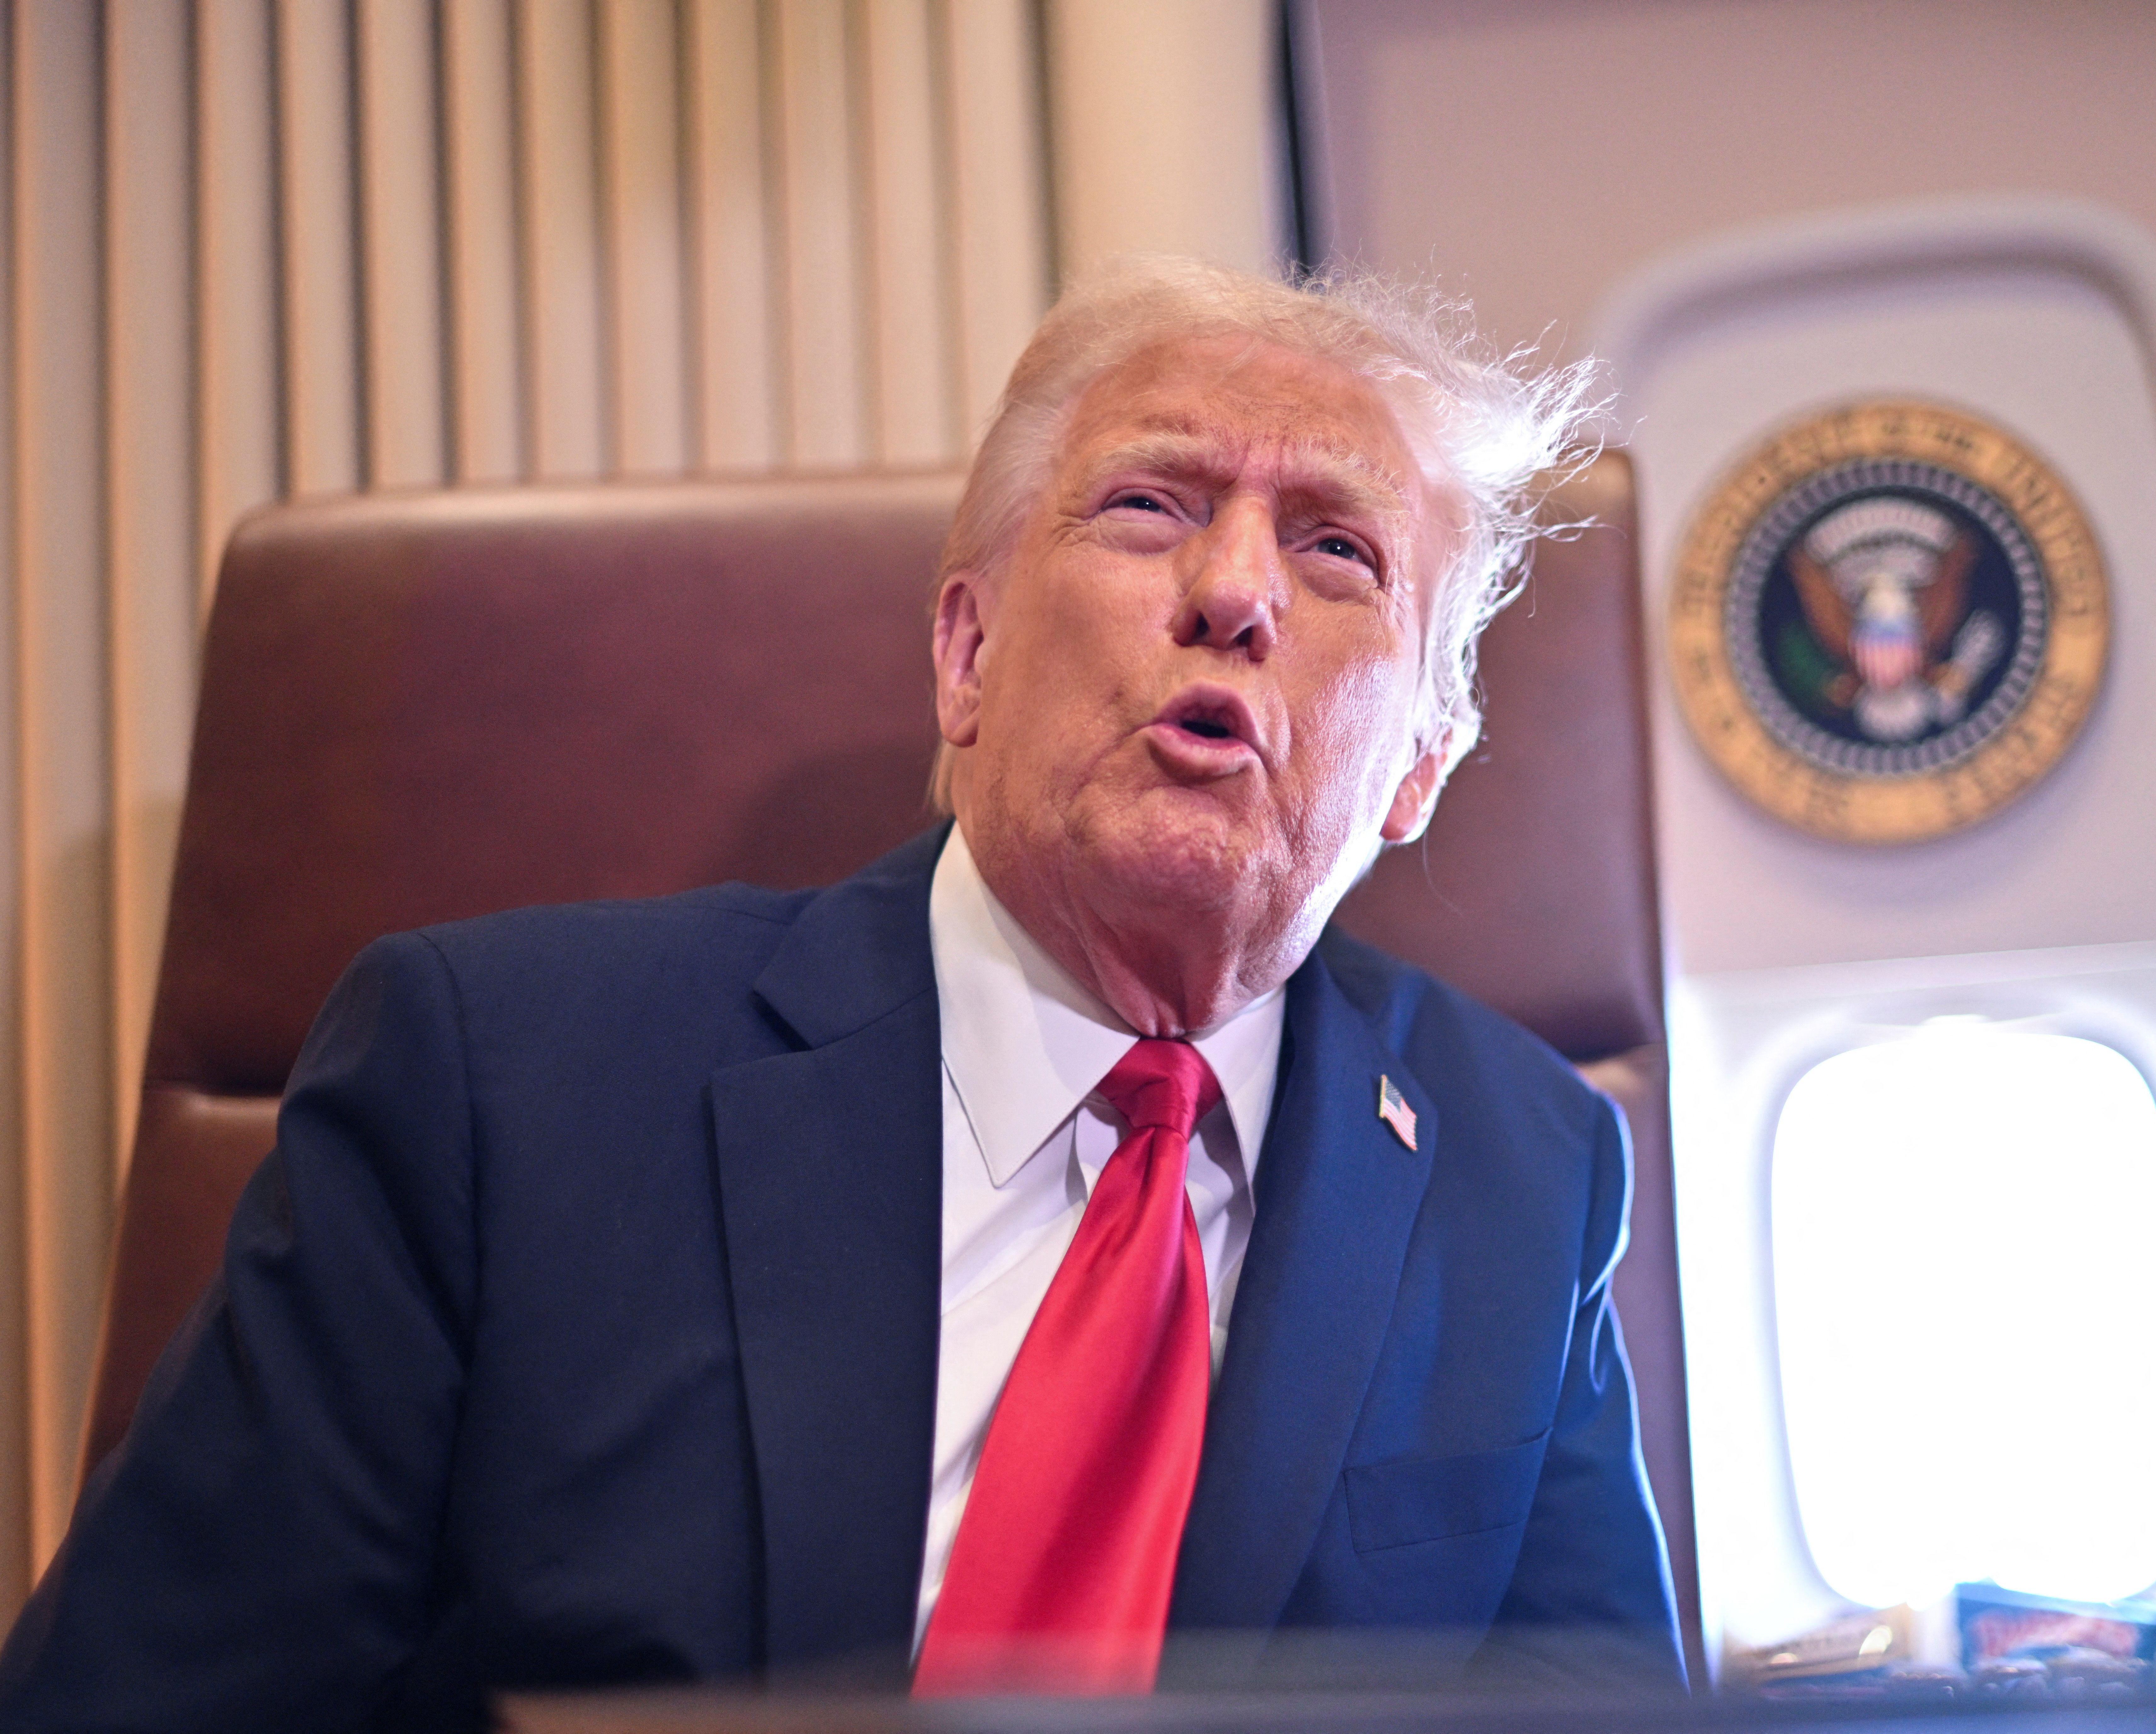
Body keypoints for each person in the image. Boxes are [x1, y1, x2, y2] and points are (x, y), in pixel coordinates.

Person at [0, 259, 1681, 1728]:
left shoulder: (1516, 1166)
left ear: (1421, 771)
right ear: (966, 655)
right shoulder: (496, 1086)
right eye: (1152, 505)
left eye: (1337, 552)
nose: (1233, 592)